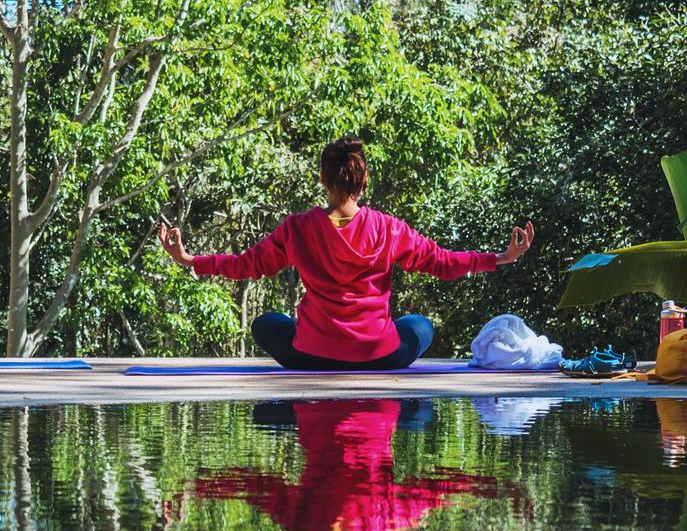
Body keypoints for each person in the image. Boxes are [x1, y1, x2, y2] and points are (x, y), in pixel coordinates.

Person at [156, 137, 533, 370]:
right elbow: (442, 262)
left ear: (323, 179)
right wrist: (500, 257)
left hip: (312, 355)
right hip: (378, 355)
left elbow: (247, 265)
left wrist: (191, 261)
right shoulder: (388, 228)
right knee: (420, 326)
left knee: (265, 324)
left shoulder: (298, 228)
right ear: (363, 181)